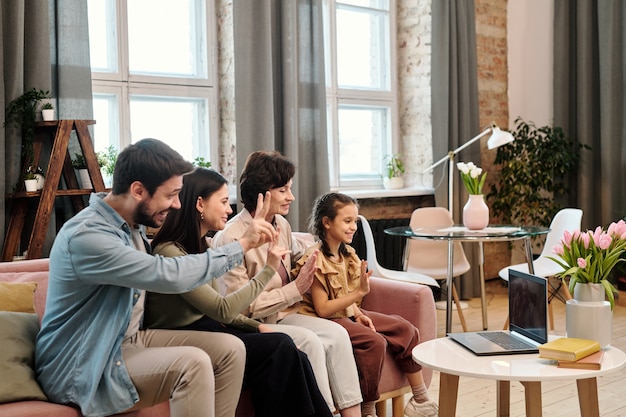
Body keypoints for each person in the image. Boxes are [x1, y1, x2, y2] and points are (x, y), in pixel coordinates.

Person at [34, 139, 278, 417]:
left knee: (231, 348)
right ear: (138, 190)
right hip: (82, 361)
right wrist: (242, 245)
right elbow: (166, 274)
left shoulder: (132, 228)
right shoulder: (89, 236)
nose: (176, 205)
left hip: (125, 342)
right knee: (193, 363)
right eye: (170, 195)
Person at [144, 167, 332, 417]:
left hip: (208, 331)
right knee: (280, 347)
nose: (229, 209)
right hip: (186, 339)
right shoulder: (171, 253)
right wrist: (268, 270)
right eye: (223, 202)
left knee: (294, 353)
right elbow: (222, 309)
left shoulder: (202, 248)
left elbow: (220, 308)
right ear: (200, 204)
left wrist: (255, 327)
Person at [212, 150, 362, 417]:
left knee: (338, 334)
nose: (291, 197)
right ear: (262, 193)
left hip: (285, 314)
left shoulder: (280, 223)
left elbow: (298, 253)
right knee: (310, 342)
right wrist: (295, 288)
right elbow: (240, 308)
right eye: (284, 190)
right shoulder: (231, 238)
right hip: (257, 322)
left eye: (289, 189)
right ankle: (324, 413)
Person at [295, 192, 438, 417]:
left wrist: (357, 311)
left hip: (346, 314)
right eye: (347, 221)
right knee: (374, 342)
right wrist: (359, 294)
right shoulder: (314, 260)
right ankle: (368, 409)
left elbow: (346, 295)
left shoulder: (347, 254)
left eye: (355, 221)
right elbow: (323, 309)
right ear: (327, 222)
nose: (353, 227)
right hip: (325, 320)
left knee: (404, 328)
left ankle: (421, 399)